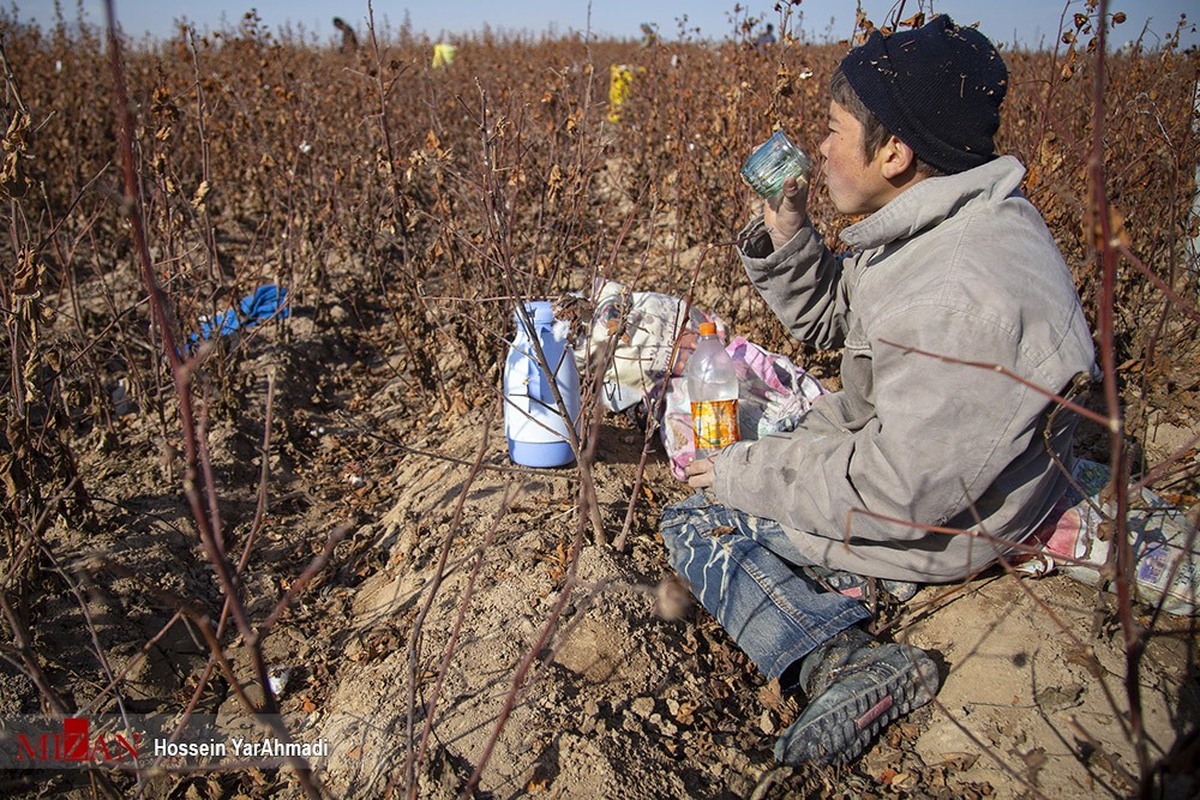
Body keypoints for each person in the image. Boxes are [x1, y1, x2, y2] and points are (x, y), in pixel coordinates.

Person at [660, 15, 1095, 767]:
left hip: (947, 523)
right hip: (921, 468)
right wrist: (792, 233)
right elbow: (845, 321)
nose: (820, 148)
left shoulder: (958, 291)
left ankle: (840, 659)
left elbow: (897, 493)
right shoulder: (935, 225)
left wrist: (742, 476)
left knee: (699, 521)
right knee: (756, 460)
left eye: (834, 130)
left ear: (893, 151)